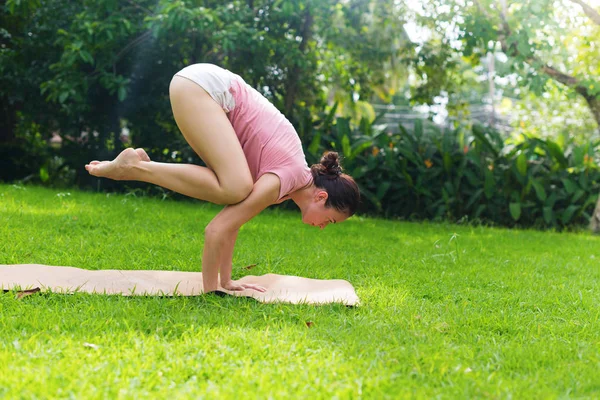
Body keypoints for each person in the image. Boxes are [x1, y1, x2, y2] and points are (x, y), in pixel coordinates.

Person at [85, 63, 360, 293]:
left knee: (237, 190)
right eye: (330, 219)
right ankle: (136, 168)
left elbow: (233, 223)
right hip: (203, 88)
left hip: (199, 86)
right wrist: (211, 288)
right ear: (321, 196)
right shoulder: (285, 177)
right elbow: (216, 229)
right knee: (236, 187)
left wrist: (226, 281)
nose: (324, 227)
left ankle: (136, 167)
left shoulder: (286, 184)